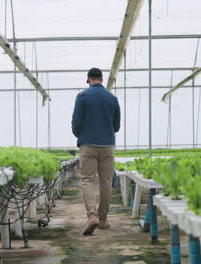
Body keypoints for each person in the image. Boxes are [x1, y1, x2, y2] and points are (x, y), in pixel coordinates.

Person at [71, 67, 121, 235]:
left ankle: (92, 215)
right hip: (107, 145)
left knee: (87, 180)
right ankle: (103, 218)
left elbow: (76, 123)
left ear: (88, 80)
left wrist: (82, 135)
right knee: (106, 182)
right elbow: (116, 126)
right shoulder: (112, 98)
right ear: (102, 79)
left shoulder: (82, 96)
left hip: (88, 144)